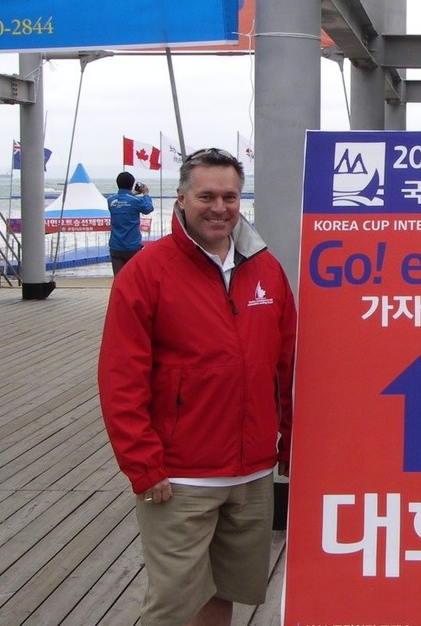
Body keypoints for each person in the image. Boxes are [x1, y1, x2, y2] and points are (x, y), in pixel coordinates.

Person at [98, 148, 297, 626]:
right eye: (206, 195)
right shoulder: (147, 272)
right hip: (178, 478)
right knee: (172, 605)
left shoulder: (265, 269)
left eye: (229, 196)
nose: (219, 207)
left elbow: (288, 366)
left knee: (223, 595)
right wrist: (143, 465)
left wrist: (291, 444)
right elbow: (120, 379)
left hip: (250, 476)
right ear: (181, 199)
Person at [108, 171, 154, 275]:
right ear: (132, 184)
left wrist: (132, 193)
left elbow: (123, 200)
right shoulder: (135, 201)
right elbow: (148, 208)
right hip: (132, 247)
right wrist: (146, 194)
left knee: (119, 279)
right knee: (133, 278)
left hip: (115, 246)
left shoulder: (110, 200)